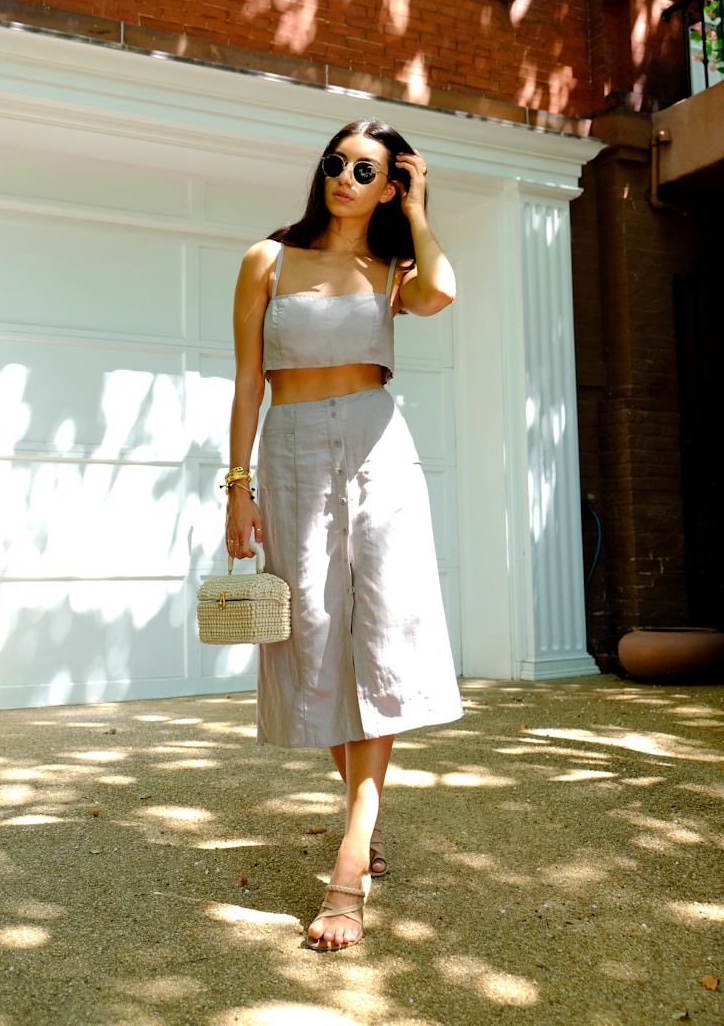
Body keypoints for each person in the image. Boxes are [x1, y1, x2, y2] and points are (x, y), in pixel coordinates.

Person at [224, 118, 463, 951]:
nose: (344, 178)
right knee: (318, 640)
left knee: (384, 636)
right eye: (334, 163)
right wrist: (236, 488)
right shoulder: (268, 259)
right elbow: (249, 381)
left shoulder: (393, 267)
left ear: (388, 183)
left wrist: (421, 208)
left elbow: (442, 293)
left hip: (378, 450)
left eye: (366, 170)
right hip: (289, 451)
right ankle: (365, 817)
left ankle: (351, 860)